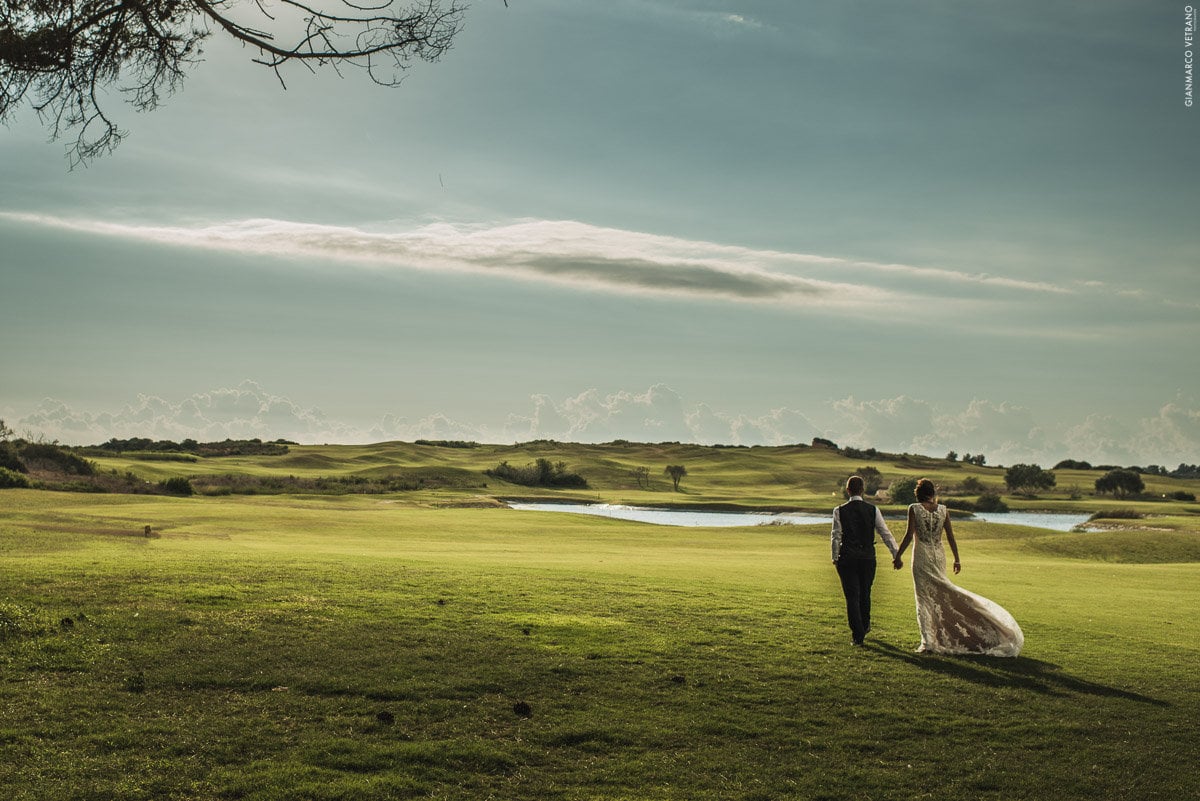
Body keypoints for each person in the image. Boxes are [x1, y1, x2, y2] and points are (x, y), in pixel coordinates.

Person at [892, 478, 1023, 656]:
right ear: (933, 493)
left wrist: (898, 556)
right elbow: (951, 537)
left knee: (924, 597)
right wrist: (957, 559)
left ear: (918, 493)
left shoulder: (914, 508)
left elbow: (909, 535)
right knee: (940, 593)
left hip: (922, 556)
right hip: (939, 555)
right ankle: (935, 638)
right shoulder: (943, 510)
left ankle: (928, 642)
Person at [831, 475, 900, 646]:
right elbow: (885, 533)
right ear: (863, 490)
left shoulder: (839, 510)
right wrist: (896, 554)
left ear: (848, 491)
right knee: (865, 592)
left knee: (852, 596)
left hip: (847, 558)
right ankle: (865, 624)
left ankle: (858, 634)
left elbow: (836, 536)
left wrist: (834, 557)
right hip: (868, 558)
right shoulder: (873, 510)